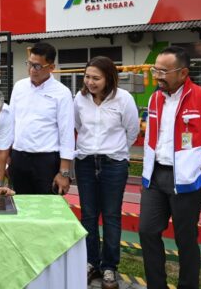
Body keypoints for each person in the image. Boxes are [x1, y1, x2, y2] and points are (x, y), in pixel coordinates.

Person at [139, 46, 201, 289]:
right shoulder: (155, 98)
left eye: (163, 71)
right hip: (156, 177)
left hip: (189, 181)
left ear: (183, 73)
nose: (157, 76)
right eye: (155, 70)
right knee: (147, 232)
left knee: (185, 239)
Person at [73, 56, 140, 289]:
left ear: (109, 78)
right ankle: (91, 262)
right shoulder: (80, 99)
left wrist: (115, 149)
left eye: (96, 78)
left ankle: (110, 266)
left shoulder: (124, 99)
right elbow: (78, 127)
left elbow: (132, 131)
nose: (90, 82)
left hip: (114, 163)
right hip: (85, 162)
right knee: (89, 215)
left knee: (111, 216)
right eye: (87, 77)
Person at [9, 42, 75, 195]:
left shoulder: (61, 93)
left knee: (47, 209)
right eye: (30, 64)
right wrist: (8, 158)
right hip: (19, 157)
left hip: (46, 161)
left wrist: (64, 172)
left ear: (51, 67)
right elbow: (11, 124)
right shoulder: (19, 87)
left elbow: (66, 134)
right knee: (20, 207)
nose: (32, 70)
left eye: (37, 66)